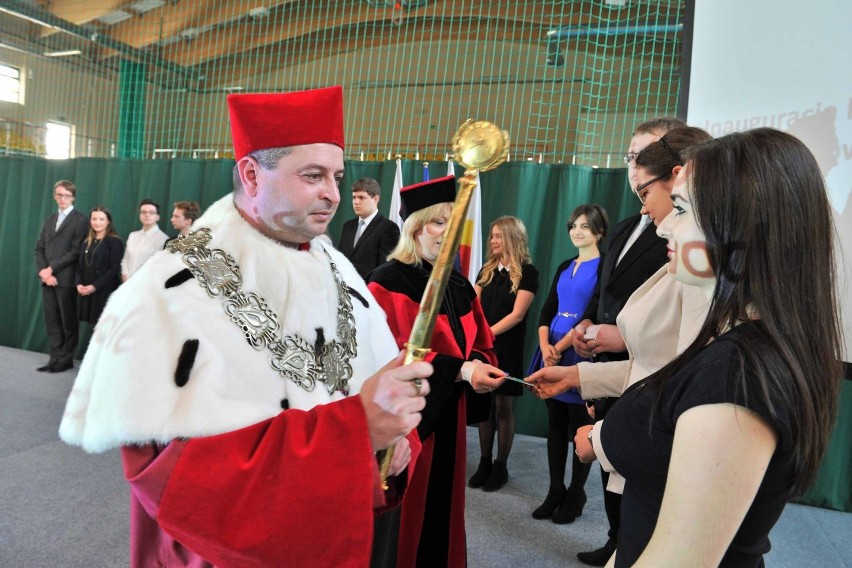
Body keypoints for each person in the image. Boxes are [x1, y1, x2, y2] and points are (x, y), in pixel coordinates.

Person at [59, 86, 434, 567]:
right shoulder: (166, 289)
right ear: (252, 174)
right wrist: (353, 434)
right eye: (313, 175)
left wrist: (395, 439)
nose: (333, 194)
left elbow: (377, 392)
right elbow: (167, 477)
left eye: (337, 177)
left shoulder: (341, 273)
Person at [542, 128, 843, 566]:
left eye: (680, 208)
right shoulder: (733, 345)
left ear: (738, 227)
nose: (663, 224)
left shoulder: (737, 371)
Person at [528, 126, 713, 515]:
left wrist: (602, 439)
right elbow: (656, 366)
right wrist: (577, 376)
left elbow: (677, 383)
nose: (653, 216)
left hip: (660, 450)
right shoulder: (665, 255)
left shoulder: (699, 274)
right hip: (631, 416)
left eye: (676, 205)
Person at [367, 175, 505, 568]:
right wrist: (459, 369)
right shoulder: (388, 283)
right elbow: (387, 358)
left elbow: (480, 344)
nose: (447, 232)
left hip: (450, 415)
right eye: (437, 222)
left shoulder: (459, 285)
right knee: (404, 517)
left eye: (452, 222)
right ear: (415, 227)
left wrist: (479, 366)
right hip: (408, 423)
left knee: (442, 514)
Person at [569, 116, 685, 565]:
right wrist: (584, 343)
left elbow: (672, 369)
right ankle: (616, 536)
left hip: (648, 399)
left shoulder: (678, 241)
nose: (635, 166)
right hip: (619, 377)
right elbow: (605, 294)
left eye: (645, 158)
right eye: (631, 157)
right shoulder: (624, 226)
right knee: (624, 496)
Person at [527, 205, 608, 524]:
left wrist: (558, 349)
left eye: (585, 227)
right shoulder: (564, 265)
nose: (577, 231)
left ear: (599, 232)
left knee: (579, 425)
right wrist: (546, 346)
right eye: (574, 225)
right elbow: (547, 311)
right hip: (552, 351)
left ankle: (576, 493)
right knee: (555, 425)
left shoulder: (605, 268)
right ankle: (554, 490)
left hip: (578, 352)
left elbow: (592, 311)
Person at [467, 216, 539, 492]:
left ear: (512, 238)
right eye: (492, 236)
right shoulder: (486, 271)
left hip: (506, 346)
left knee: (503, 407)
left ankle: (501, 465)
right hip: (483, 347)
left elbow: (517, 315)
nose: (494, 241)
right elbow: (473, 307)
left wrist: (486, 334)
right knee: (485, 406)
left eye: (499, 236)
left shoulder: (528, 272)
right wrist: (476, 336)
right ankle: (484, 462)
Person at [34, 180, 89, 373]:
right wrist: (44, 272)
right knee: (52, 321)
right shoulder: (49, 219)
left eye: (66, 195)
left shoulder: (81, 220)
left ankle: (66, 359)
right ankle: (55, 358)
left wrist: (52, 269)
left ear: (73, 197)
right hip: (48, 280)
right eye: (59, 194)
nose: (62, 198)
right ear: (54, 196)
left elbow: (75, 251)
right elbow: (39, 248)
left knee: (68, 321)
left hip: (66, 280)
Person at [338, 177, 400, 279]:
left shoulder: (388, 228)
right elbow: (340, 259)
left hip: (369, 291)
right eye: (354, 197)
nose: (356, 202)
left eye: (361, 197)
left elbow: (385, 269)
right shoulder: (348, 226)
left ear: (376, 199)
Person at [75, 206, 124, 327]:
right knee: (92, 327)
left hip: (104, 291)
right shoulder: (86, 242)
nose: (97, 222)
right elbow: (78, 266)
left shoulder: (115, 242)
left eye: (101, 219)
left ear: (108, 221)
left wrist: (94, 287)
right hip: (86, 291)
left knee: (103, 328)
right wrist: (79, 284)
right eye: (94, 219)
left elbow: (113, 270)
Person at [120, 199, 168, 281]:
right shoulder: (133, 235)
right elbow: (125, 259)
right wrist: (125, 274)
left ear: (158, 217)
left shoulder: (163, 239)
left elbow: (160, 267)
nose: (147, 215)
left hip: (147, 284)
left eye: (151, 212)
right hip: (127, 283)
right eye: (143, 212)